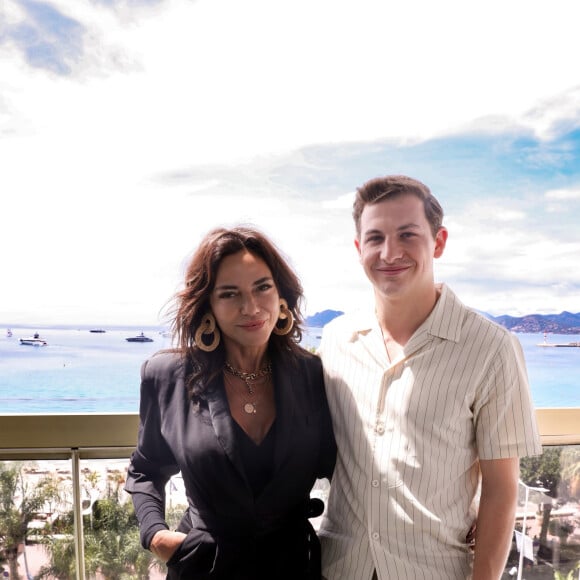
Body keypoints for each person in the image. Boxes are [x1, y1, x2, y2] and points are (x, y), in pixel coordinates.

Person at [318, 175, 542, 580]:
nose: (389, 253)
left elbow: (501, 489)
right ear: (358, 248)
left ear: (438, 242)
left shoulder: (492, 348)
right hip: (339, 567)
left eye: (407, 235)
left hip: (434, 569)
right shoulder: (336, 340)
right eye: (375, 238)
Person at [125, 226, 336, 580]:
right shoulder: (167, 376)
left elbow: (350, 466)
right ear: (208, 304)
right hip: (204, 566)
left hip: (293, 566)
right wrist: (156, 535)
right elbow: (146, 469)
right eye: (229, 294)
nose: (251, 307)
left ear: (281, 296)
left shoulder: (313, 375)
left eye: (262, 287)